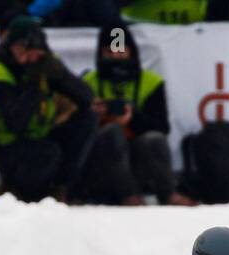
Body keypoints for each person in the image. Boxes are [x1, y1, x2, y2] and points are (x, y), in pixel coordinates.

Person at [78, 22, 191, 206]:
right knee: (112, 131)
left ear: (132, 52)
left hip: (139, 159)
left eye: (121, 51)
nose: (116, 57)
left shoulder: (151, 82)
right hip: (101, 161)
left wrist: (133, 119)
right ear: (100, 53)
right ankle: (129, 195)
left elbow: (162, 127)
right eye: (110, 52)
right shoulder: (87, 83)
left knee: (154, 138)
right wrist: (98, 117)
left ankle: (168, 193)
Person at [0, 16, 95, 202]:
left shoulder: (47, 64)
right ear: (11, 47)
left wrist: (61, 76)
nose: (27, 57)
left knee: (87, 120)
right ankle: (21, 191)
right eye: (21, 50)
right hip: (9, 146)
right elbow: (15, 123)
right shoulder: (0, 71)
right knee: (47, 152)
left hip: (41, 135)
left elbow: (86, 99)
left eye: (33, 52)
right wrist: (34, 84)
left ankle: (60, 189)